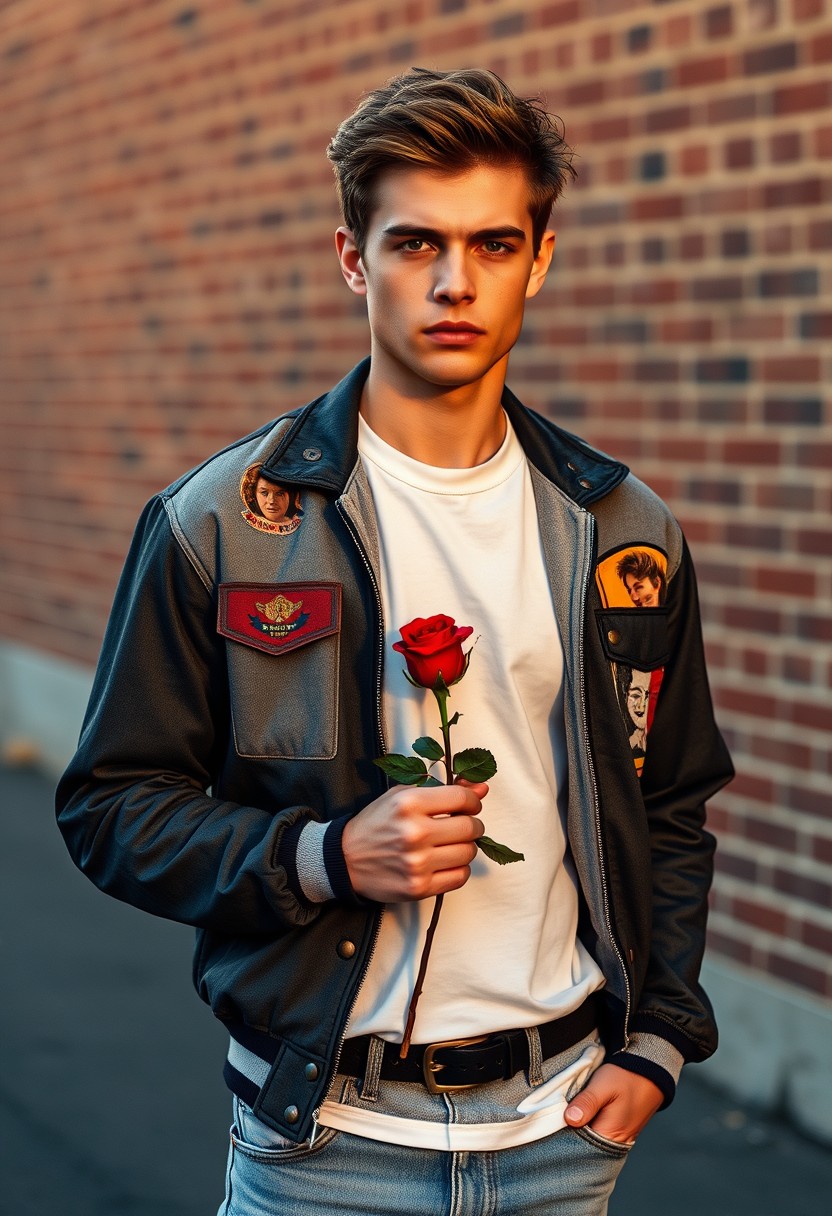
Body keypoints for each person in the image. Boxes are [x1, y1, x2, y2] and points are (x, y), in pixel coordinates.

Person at [56, 67, 733, 1216]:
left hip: (561, 1130)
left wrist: (659, 1040)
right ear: (352, 258)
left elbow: (670, 805)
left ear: (541, 258)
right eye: (416, 244)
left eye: (494, 245)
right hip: (323, 1140)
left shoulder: (625, 530)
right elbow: (111, 804)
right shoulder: (223, 521)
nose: (456, 282)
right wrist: (322, 856)